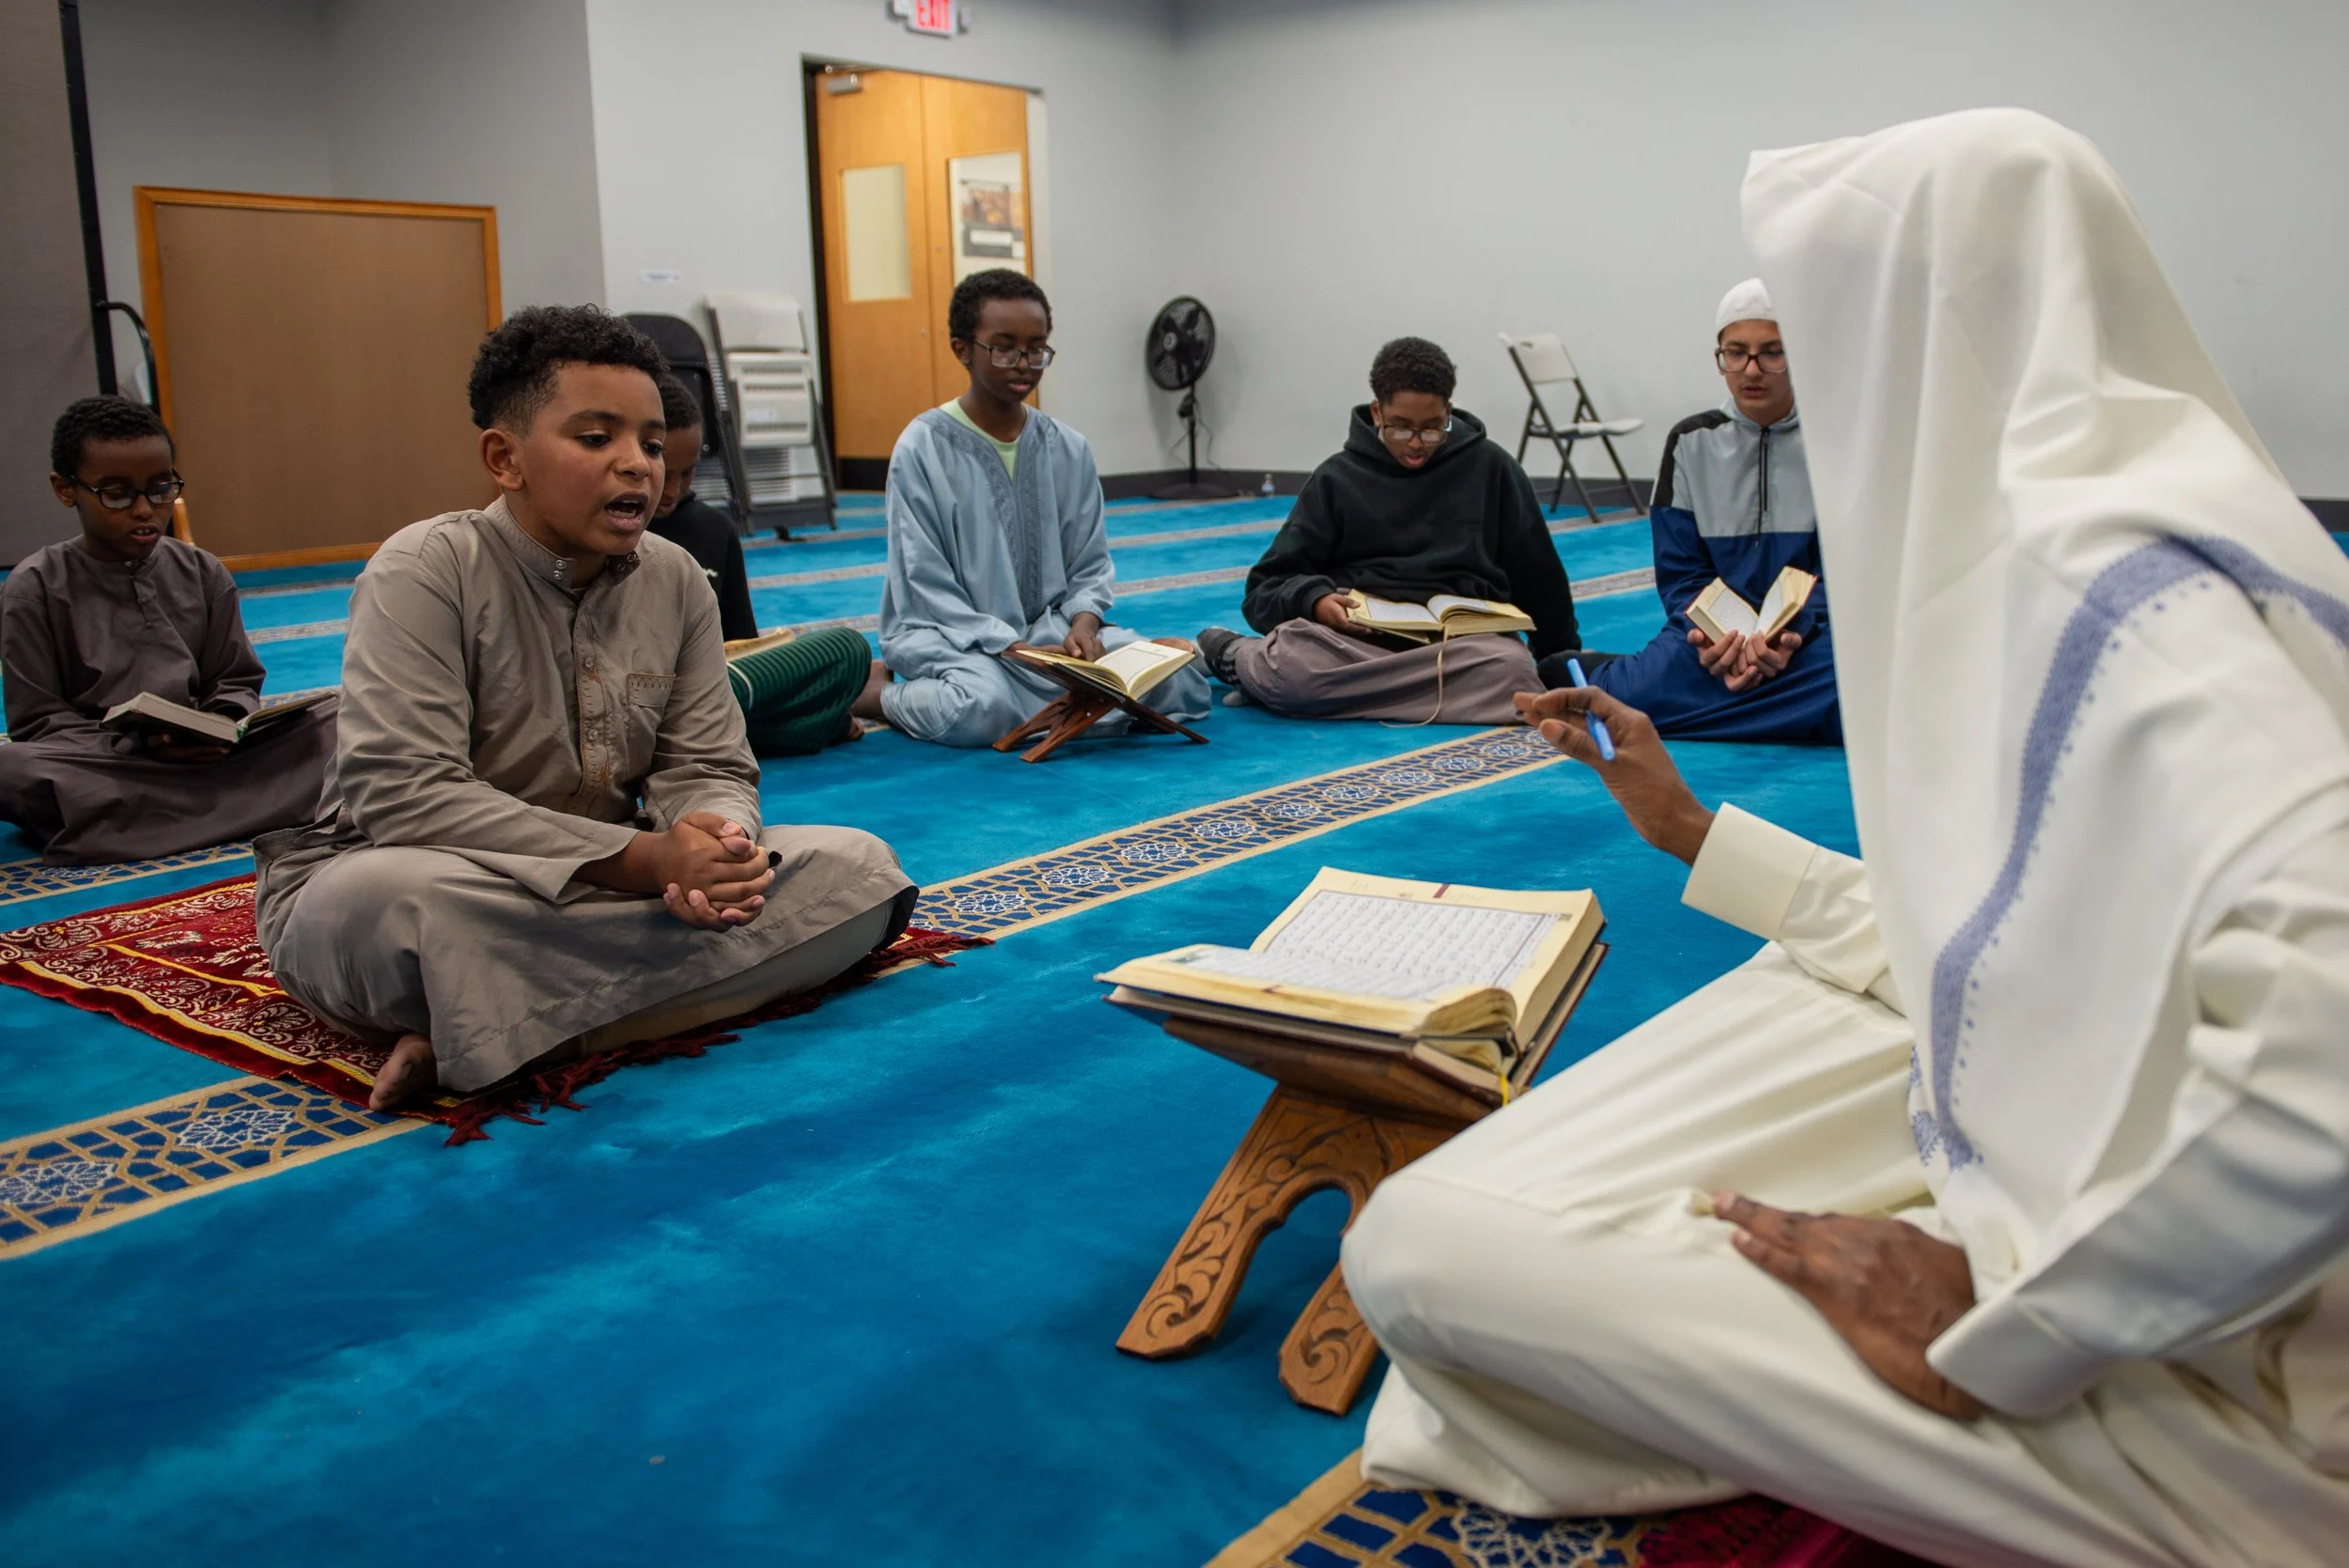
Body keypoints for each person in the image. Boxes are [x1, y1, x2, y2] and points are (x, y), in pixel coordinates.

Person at [1341, 110, 2349, 1566]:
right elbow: (2018, 915)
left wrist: (2016, 1330)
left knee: (1416, 1249)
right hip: (2098, 1106)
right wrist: (1696, 832)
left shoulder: (2134, 602)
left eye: (1812, 326)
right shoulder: (2109, 521)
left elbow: (2329, 1048)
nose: (1779, 367)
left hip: (2242, 1386)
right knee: (1803, 970)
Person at [254, 306, 913, 1110]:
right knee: (423, 911)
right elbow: (405, 795)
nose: (637, 464)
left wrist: (718, 848)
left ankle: (509, 1028)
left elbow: (708, 761)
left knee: (861, 870)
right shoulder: (425, 569)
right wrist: (646, 861)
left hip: (604, 887)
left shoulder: (674, 578)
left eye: (650, 443)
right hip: (425, 871)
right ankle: (538, 1011)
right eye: (597, 438)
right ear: (505, 459)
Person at [866, 268, 1208, 747]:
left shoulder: (1067, 447)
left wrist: (1084, 627)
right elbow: (924, 583)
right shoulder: (922, 448)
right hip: (949, 633)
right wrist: (1012, 646)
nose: (1023, 364)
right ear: (962, 349)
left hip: (1053, 633)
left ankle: (1061, 696)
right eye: (1004, 348)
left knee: (1180, 679)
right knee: (981, 709)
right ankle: (878, 695)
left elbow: (1089, 564)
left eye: (1036, 349)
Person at [0, 396, 335, 864]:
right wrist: (136, 746)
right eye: (117, 494)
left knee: (338, 719)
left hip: (207, 758)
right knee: (11, 769)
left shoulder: (201, 570)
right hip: (110, 763)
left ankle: (134, 826)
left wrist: (218, 727)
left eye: (160, 489)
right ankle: (256, 804)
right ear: (66, 489)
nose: (144, 510)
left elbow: (235, 681)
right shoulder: (34, 587)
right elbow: (39, 722)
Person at [1195, 337, 1580, 723]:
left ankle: (1282, 683)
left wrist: (1561, 659)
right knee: (1296, 667)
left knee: (1515, 674)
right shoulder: (1337, 477)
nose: (1416, 444)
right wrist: (1315, 600)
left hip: (1461, 648)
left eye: (1431, 429)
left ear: (1448, 412)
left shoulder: (1493, 468)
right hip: (1356, 644)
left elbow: (1539, 576)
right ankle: (1237, 656)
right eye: (1401, 428)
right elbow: (1265, 588)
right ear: (1377, 412)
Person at [1552, 281, 1840, 744]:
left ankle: (1710, 705)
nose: (1751, 370)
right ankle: (1783, 712)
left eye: (1772, 353)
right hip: (1710, 645)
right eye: (1736, 353)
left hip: (1807, 641)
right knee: (1635, 692)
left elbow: (1845, 576)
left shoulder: (1837, 443)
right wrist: (1714, 640)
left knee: (1855, 687)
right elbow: (1681, 572)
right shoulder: (1690, 443)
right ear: (1720, 357)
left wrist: (1790, 636)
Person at [650, 374, 880, 754]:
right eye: (663, 472)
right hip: (642, 696)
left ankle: (706, 734)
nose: (673, 490)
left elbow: (743, 645)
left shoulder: (713, 530)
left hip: (716, 689)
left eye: (686, 473)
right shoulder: (613, 527)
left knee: (846, 650)